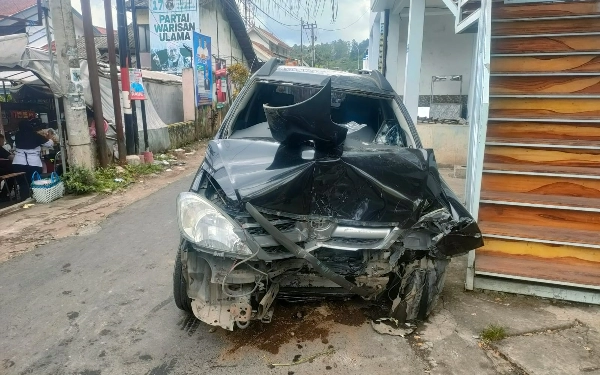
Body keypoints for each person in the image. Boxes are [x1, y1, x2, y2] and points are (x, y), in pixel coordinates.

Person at [12, 120, 54, 201]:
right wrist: (49, 138)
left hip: (18, 163)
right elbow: (50, 144)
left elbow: (14, 146)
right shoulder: (35, 135)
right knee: (34, 182)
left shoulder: (17, 135)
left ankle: (24, 199)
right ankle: (35, 198)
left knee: (23, 184)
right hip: (33, 164)